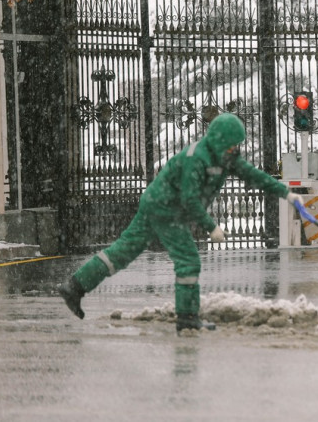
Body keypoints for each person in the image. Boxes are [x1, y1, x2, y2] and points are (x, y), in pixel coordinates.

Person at [57, 113, 304, 333]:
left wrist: (287, 194)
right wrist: (211, 226)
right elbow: (189, 199)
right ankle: (187, 319)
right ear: (221, 141)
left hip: (156, 204)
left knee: (122, 253)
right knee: (188, 260)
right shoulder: (196, 158)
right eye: (233, 144)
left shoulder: (223, 157)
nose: (236, 150)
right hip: (166, 209)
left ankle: (75, 286)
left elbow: (254, 176)